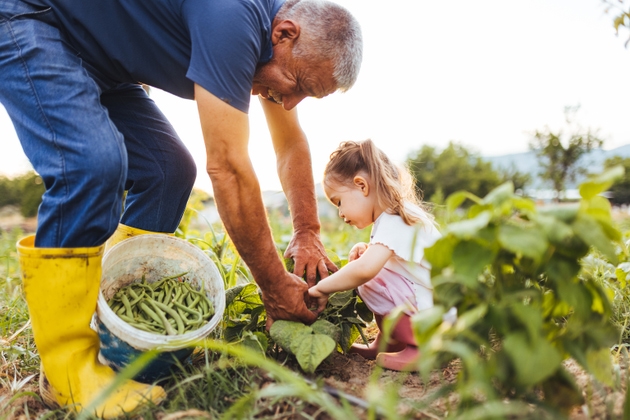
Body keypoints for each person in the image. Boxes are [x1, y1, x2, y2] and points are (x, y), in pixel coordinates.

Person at [0, 0, 361, 416]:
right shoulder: (236, 19)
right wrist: (273, 286)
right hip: (33, 18)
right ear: (285, 34)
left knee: (167, 171)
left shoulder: (274, 36)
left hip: (101, 57)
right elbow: (227, 166)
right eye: (297, 83)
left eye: (307, 95)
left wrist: (307, 230)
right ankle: (65, 372)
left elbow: (289, 143)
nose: (292, 101)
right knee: (91, 165)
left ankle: (111, 318)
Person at [308, 139, 442, 372]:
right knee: (375, 276)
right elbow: (399, 260)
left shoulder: (395, 217)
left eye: (339, 202)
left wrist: (322, 288)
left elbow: (365, 270)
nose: (340, 213)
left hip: (435, 315)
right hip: (433, 304)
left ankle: (424, 348)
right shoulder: (393, 215)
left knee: (370, 279)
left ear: (361, 185)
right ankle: (390, 342)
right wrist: (368, 250)